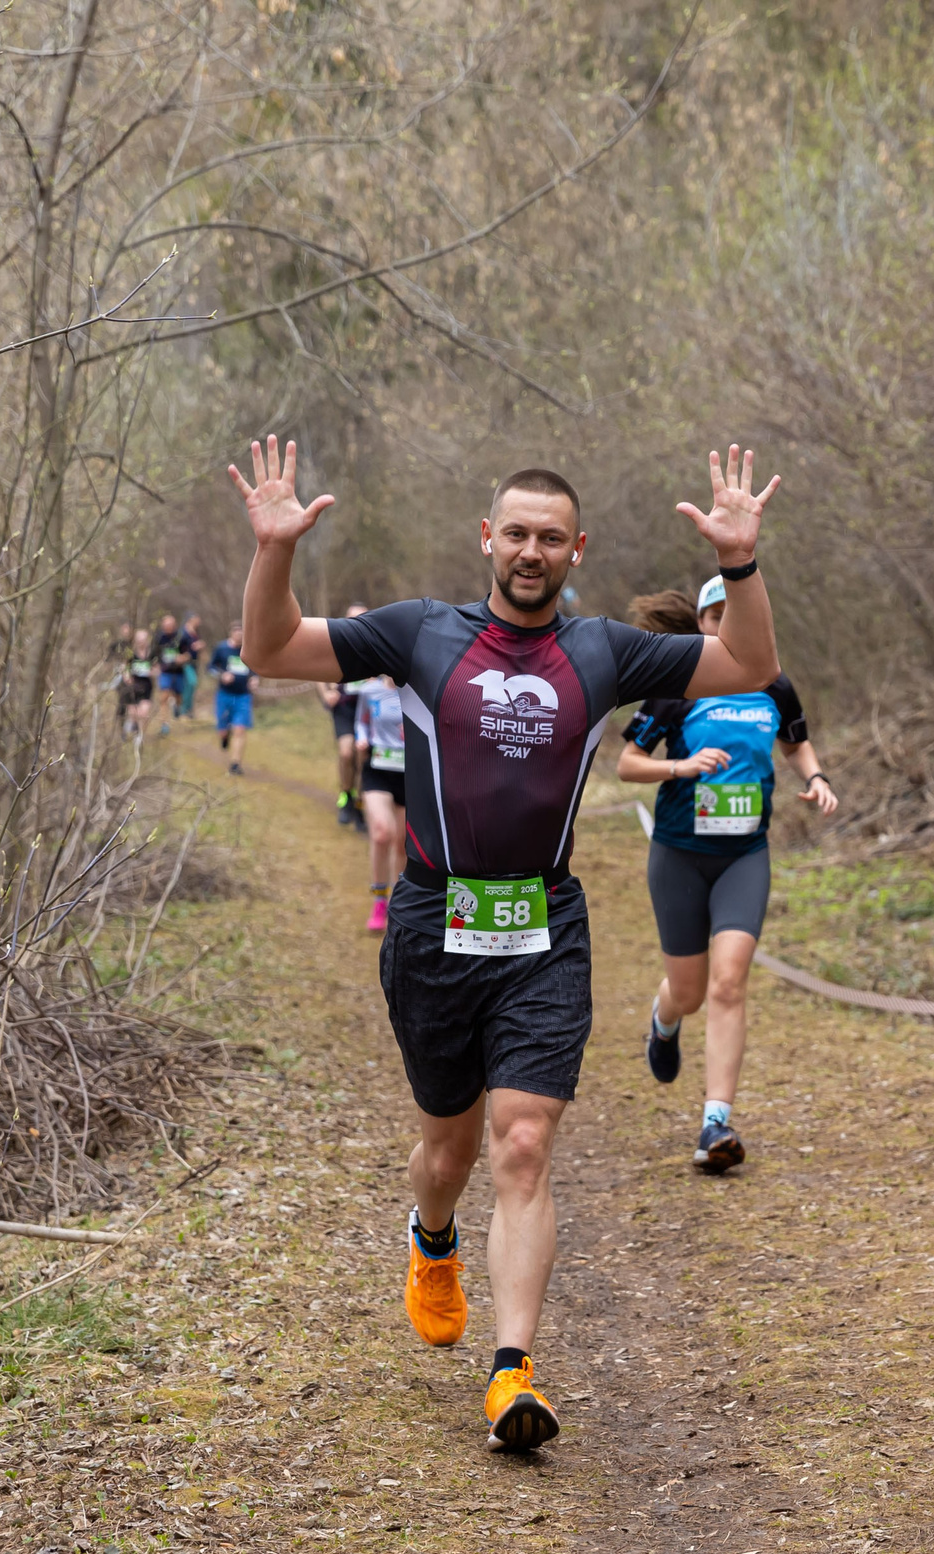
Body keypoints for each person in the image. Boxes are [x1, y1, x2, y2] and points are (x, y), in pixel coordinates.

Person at [229, 435, 785, 1452]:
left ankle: (513, 1373)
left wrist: (740, 564)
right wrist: (274, 550)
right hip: (434, 923)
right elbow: (268, 652)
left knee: (522, 1142)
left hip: (545, 926)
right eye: (516, 534)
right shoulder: (416, 636)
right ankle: (430, 1237)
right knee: (445, 1149)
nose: (531, 551)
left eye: (552, 539)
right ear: (487, 539)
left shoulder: (605, 653)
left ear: (579, 551)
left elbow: (749, 663)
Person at [619, 578, 838, 1173]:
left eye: (736, 616)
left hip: (745, 855)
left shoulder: (776, 685)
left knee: (730, 982)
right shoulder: (677, 686)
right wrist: (681, 766)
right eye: (716, 617)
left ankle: (715, 1121)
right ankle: (664, 1024)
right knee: (688, 992)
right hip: (679, 855)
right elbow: (626, 763)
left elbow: (797, 743)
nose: (727, 626)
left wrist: (814, 778)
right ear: (701, 623)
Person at [354, 675, 407, 931]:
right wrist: (361, 739)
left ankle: (398, 903)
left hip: (412, 775)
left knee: (403, 844)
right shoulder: (370, 691)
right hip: (378, 769)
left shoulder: (420, 690)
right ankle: (379, 900)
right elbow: (361, 723)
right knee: (382, 833)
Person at [317, 604, 371, 826]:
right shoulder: (336, 644)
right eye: (352, 618)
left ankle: (360, 804)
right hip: (345, 709)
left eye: (361, 618)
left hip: (368, 711)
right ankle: (345, 797)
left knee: (363, 759)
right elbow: (318, 673)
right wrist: (327, 693)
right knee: (347, 754)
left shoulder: (376, 645)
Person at [210, 620, 255, 773]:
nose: (240, 636)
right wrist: (222, 675)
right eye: (237, 633)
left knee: (240, 729)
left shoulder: (249, 650)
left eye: (242, 634)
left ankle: (235, 764)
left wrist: (254, 678)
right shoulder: (222, 648)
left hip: (243, 696)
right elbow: (210, 667)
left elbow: (256, 667)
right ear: (231, 634)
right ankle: (224, 736)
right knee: (223, 729)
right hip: (225, 694)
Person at [116, 623, 155, 739]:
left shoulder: (151, 653)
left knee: (143, 713)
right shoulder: (131, 653)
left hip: (146, 685)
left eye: (143, 639)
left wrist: (152, 672)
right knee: (133, 713)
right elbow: (124, 667)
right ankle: (132, 727)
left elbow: (158, 667)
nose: (141, 642)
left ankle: (139, 735)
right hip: (132, 686)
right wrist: (127, 676)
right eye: (139, 640)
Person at [153, 613, 188, 722]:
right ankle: (164, 722)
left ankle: (177, 707)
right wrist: (156, 665)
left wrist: (182, 658)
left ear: (174, 625)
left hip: (178, 671)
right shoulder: (159, 637)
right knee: (164, 696)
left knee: (178, 696)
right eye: (166, 624)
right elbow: (155, 653)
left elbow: (188, 654)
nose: (168, 627)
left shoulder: (181, 637)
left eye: (170, 624)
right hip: (165, 671)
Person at [177, 613, 205, 718]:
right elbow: (178, 646)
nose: (199, 621)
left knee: (191, 686)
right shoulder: (183, 632)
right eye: (197, 619)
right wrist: (184, 654)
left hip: (194, 662)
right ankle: (183, 710)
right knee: (191, 683)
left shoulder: (195, 632)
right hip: (186, 663)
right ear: (191, 619)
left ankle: (189, 710)